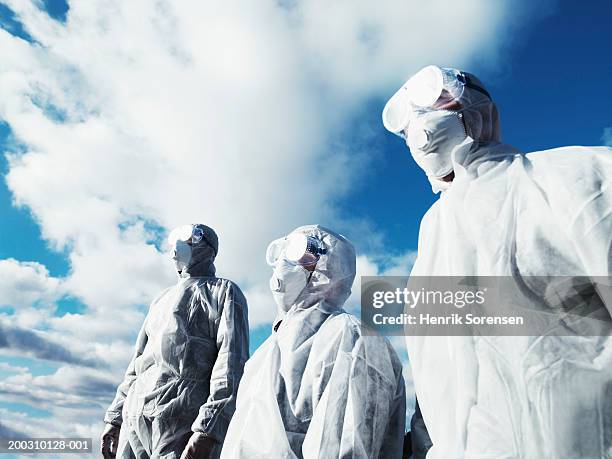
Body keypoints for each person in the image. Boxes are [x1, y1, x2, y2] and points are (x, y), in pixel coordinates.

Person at [382, 65, 612, 458]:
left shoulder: (577, 177)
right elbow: (440, 390)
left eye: (431, 100)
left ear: (476, 107)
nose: (416, 129)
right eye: (406, 124)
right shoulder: (430, 244)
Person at [220, 225, 406, 458]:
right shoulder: (265, 352)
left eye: (298, 252)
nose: (282, 265)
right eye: (282, 254)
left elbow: (345, 447)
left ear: (329, 268)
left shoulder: (351, 339)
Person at [100, 224, 249, 459]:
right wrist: (115, 417)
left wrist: (208, 430)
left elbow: (231, 364)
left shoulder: (223, 292)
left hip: (181, 419)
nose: (179, 248)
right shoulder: (161, 299)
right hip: (134, 418)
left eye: (191, 240)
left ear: (207, 249)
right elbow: (136, 365)